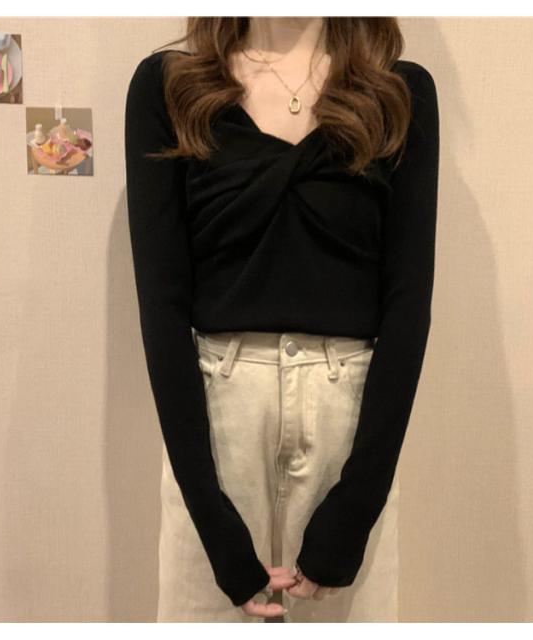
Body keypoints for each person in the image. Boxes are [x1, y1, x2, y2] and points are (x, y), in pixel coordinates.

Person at [124, 16, 440, 623]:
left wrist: (357, 503)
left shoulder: (398, 91)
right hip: (218, 418)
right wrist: (210, 516)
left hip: (349, 421)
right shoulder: (171, 85)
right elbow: (161, 305)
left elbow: (408, 303)